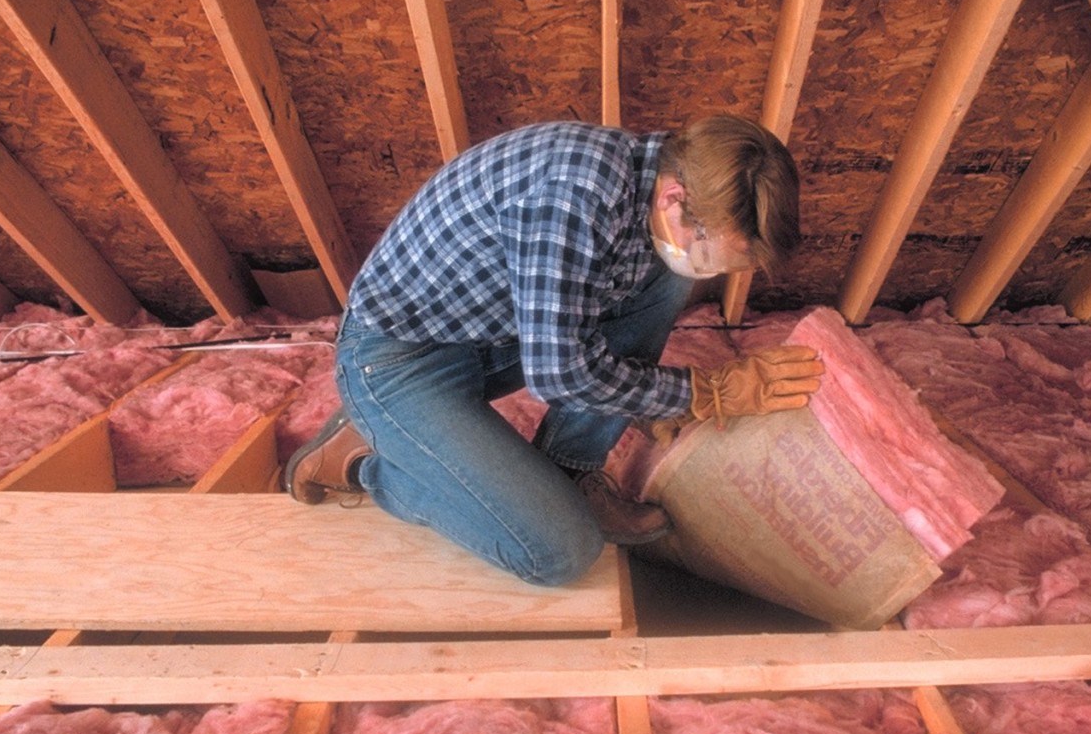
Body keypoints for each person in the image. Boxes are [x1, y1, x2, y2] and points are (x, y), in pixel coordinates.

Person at [284, 115, 825, 586]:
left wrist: (644, 397)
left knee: (665, 278)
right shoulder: (571, 197)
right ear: (674, 198)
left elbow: (570, 341)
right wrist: (698, 393)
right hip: (395, 362)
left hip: (493, 334)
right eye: (711, 254)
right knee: (558, 551)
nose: (711, 272)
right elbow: (560, 373)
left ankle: (570, 468)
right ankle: (365, 462)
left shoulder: (658, 181)